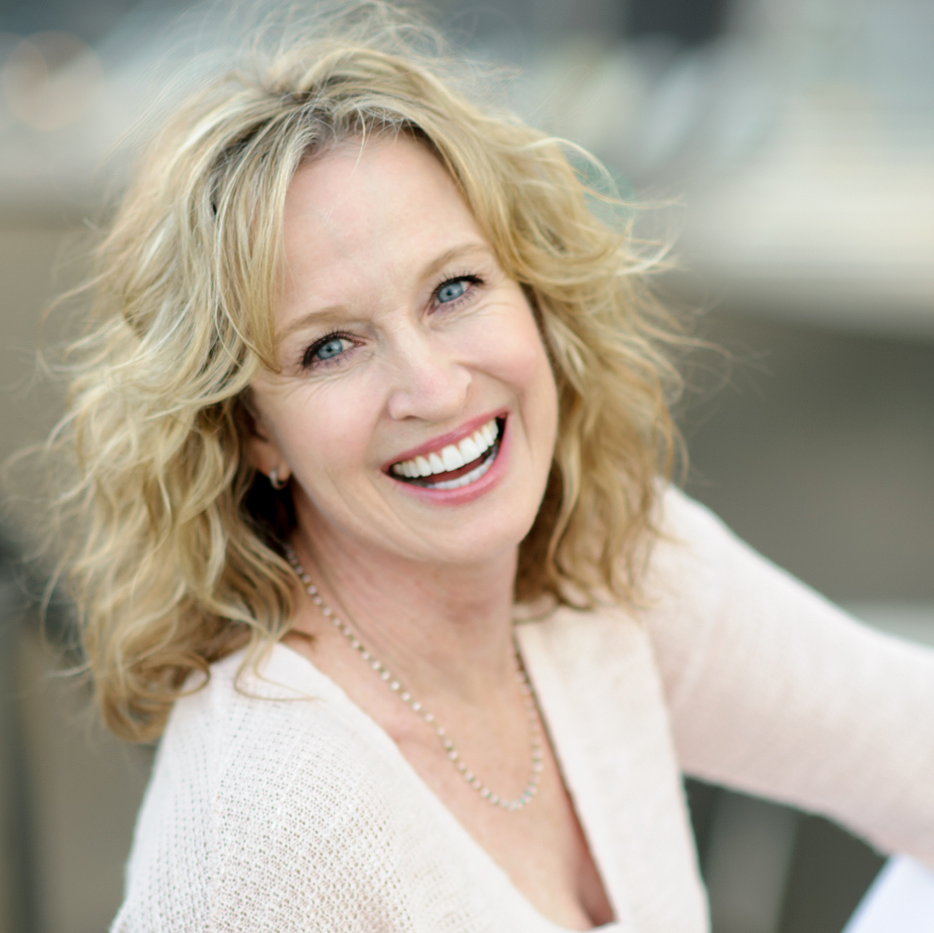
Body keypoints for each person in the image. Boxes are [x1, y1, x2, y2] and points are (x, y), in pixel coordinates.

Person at [44, 4, 934, 931]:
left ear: (532, 291)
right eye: (330, 347)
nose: (432, 386)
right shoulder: (265, 836)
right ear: (250, 431)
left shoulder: (607, 557)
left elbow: (913, 740)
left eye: (454, 288)